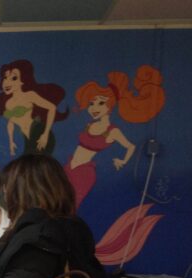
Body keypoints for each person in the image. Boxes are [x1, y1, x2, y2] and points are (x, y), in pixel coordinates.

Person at [64, 66, 164, 210]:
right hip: (69, 166)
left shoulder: (113, 131)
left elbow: (130, 146)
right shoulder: (90, 124)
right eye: (91, 103)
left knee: (72, 206)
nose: (94, 108)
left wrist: (123, 161)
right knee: (57, 203)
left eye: (100, 103)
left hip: (83, 172)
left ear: (110, 105)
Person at [0, 59, 68, 157]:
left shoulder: (29, 95)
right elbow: (11, 122)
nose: (7, 82)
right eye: (5, 78)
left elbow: (52, 108)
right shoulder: (8, 103)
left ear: (23, 81)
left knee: (37, 163)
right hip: (26, 136)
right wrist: (11, 142)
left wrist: (45, 134)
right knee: (29, 163)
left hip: (38, 132)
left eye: (14, 78)